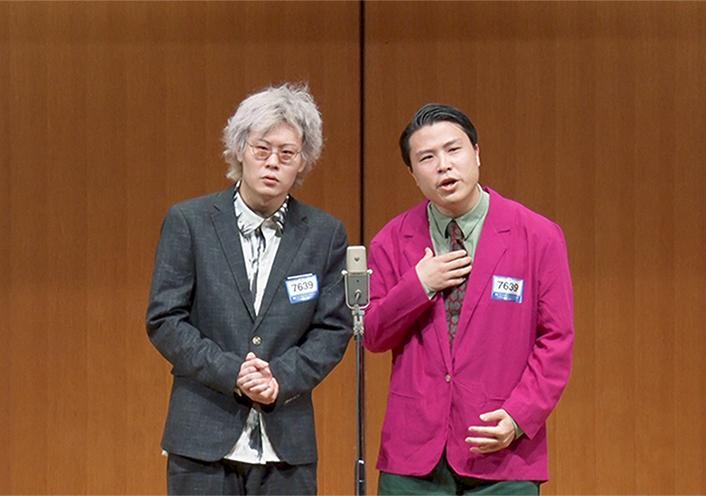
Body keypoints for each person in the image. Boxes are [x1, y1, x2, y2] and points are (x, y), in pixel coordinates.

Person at [146, 83, 351, 495]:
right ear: (240, 149)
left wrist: (280, 377)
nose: (273, 163)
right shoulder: (190, 222)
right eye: (262, 149)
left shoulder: (325, 234)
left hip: (287, 445)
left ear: (303, 162)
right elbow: (165, 319)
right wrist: (232, 372)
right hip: (201, 440)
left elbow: (333, 329)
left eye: (287, 153)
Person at [364, 103, 574, 495]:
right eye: (427, 158)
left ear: (476, 153)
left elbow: (556, 341)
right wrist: (419, 285)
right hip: (413, 455)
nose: (443, 166)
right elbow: (373, 335)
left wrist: (518, 416)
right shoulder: (391, 240)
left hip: (502, 450)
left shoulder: (538, 236)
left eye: (453, 150)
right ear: (413, 173)